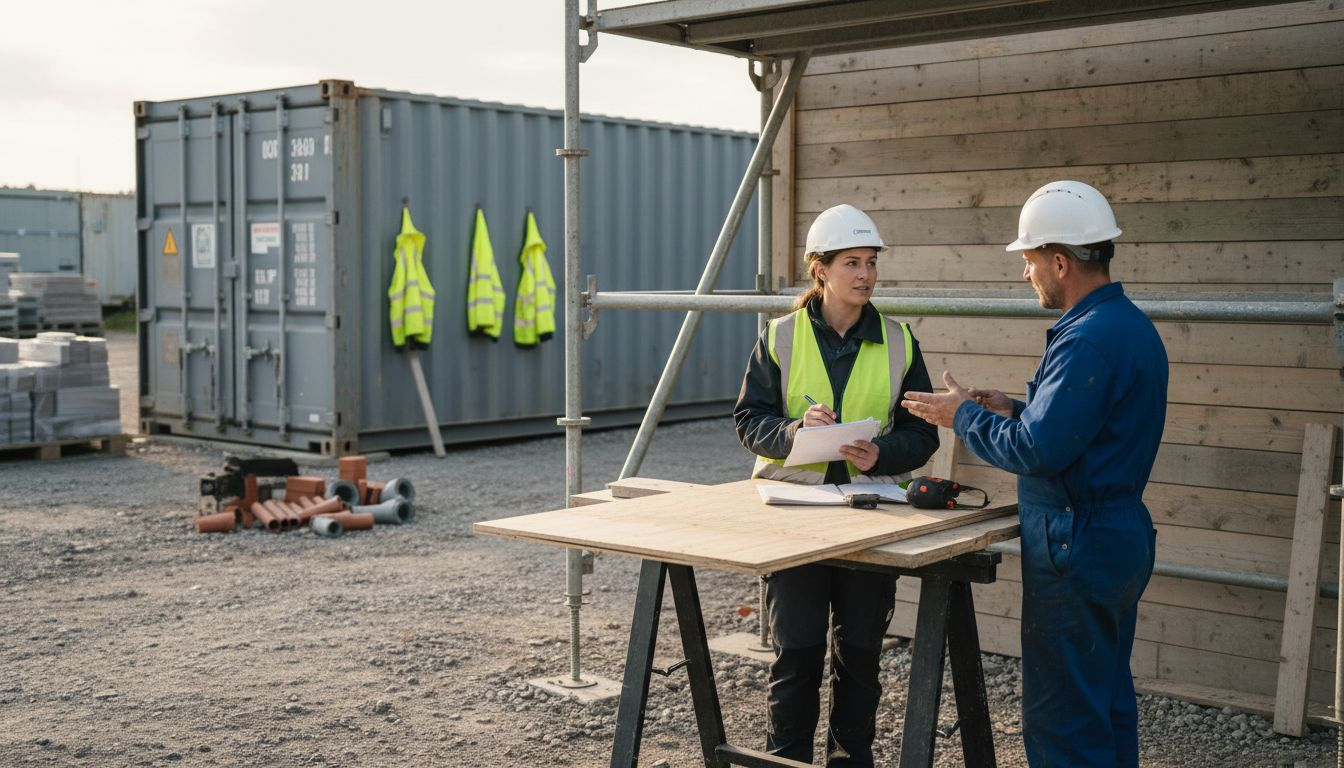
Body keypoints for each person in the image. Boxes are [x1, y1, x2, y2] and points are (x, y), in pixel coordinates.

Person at [901, 180, 1168, 767]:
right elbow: (1082, 429)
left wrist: (962, 416)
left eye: (1029, 260)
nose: (1026, 274)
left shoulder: (1086, 340)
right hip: (1116, 534)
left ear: (1060, 262)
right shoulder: (1128, 326)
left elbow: (1037, 452)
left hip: (1078, 542)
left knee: (1063, 724)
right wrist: (1015, 410)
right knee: (1105, 702)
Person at [734, 203, 939, 766]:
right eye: (852, 263)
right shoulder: (779, 337)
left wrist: (881, 453)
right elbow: (749, 420)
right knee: (797, 653)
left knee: (861, 655)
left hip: (871, 514)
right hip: (794, 517)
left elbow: (923, 434)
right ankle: (789, 759)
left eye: (871, 262)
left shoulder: (899, 341)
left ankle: (851, 759)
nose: (866, 275)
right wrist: (793, 432)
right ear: (820, 270)